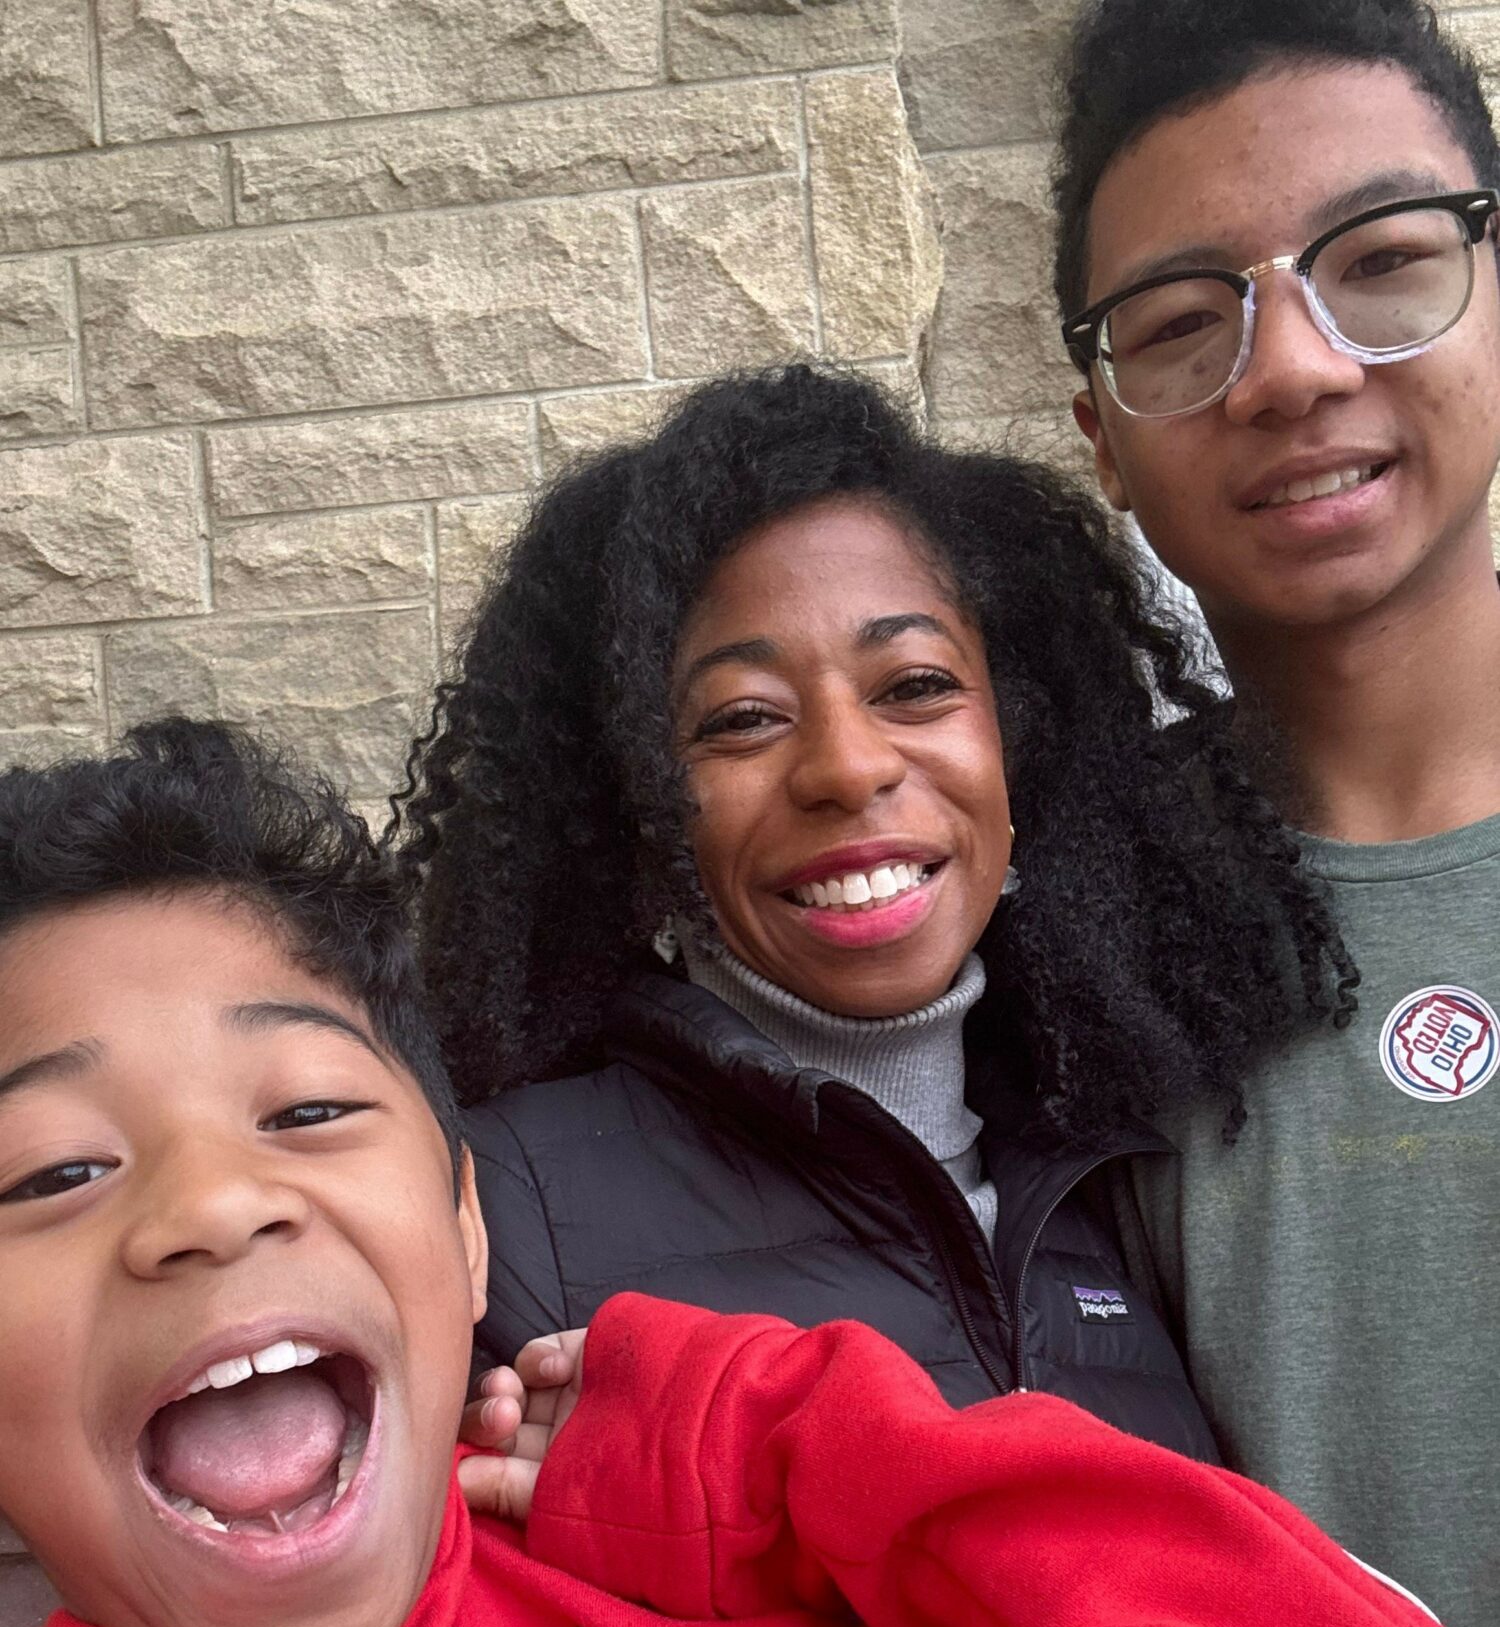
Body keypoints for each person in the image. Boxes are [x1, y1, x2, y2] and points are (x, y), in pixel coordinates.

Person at [2, 718, 1499, 1627]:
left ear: (463, 1228)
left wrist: (791, 1445)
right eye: (54, 1172)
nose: (214, 1206)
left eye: (308, 1111)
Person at [396, 363, 1349, 1459]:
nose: (849, 768)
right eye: (743, 718)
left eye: (915, 686)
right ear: (631, 805)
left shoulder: (1117, 1175)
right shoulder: (505, 1211)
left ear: (1019, 741)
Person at [1053, 7, 1500, 1627]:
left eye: (1380, 261)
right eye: (1184, 321)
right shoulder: (1057, 932)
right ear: (1101, 433)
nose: (1297, 368)